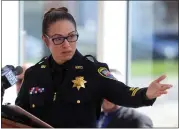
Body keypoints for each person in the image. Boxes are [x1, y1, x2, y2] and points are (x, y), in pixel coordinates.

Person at [15, 7, 172, 128]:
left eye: (71, 36)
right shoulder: (34, 74)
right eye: (58, 39)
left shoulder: (93, 71)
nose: (67, 44)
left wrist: (147, 93)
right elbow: (18, 115)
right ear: (45, 40)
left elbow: (124, 94)